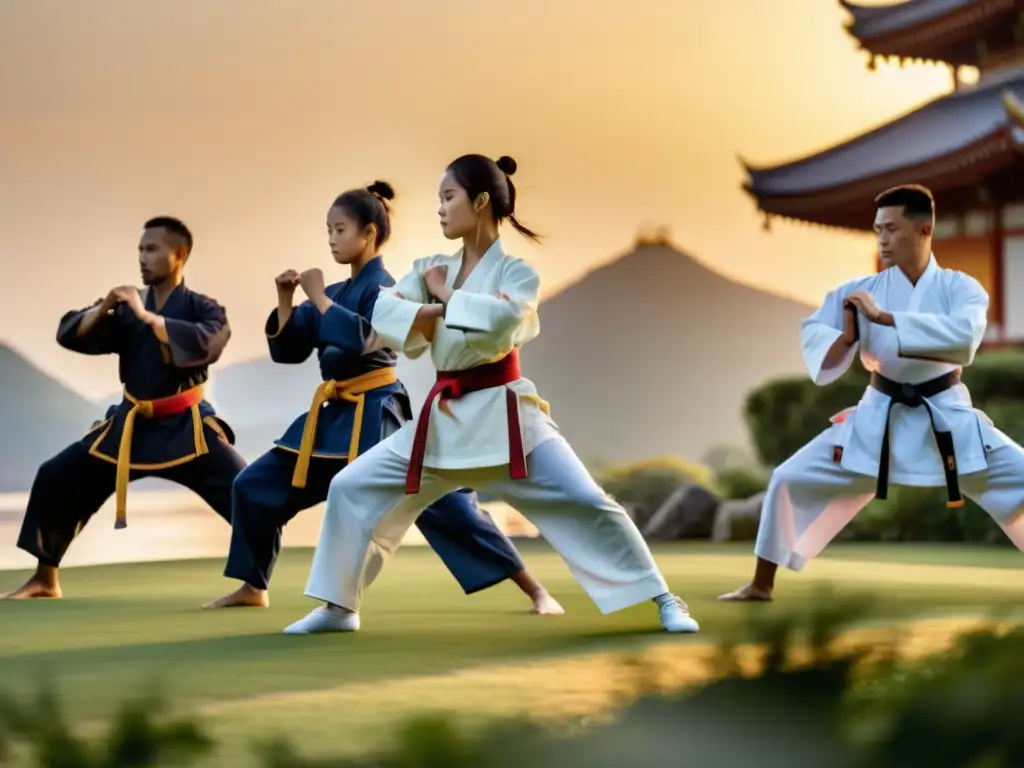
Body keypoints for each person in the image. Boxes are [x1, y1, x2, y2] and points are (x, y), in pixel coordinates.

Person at [282, 154, 698, 634]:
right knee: (351, 487)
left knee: (586, 499)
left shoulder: (518, 274)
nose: (439, 208)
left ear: (480, 202)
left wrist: (443, 298)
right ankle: (339, 608)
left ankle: (665, 600)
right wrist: (442, 305)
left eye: (448, 197)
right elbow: (384, 313)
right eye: (439, 198)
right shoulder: (428, 267)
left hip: (507, 417)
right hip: (441, 425)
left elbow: (502, 324)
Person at [203, 181, 562, 613]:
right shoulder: (335, 293)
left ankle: (535, 589)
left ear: (369, 233)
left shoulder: (392, 289)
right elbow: (289, 350)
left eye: (340, 230)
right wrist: (285, 300)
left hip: (377, 413)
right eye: (328, 231)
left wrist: (315, 297)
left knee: (443, 504)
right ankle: (253, 585)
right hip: (331, 417)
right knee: (254, 485)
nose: (332, 239)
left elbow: (361, 339)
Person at [719, 184, 1024, 602]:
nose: (882, 239)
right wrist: (846, 339)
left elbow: (964, 339)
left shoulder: (961, 288)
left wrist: (885, 318)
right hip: (876, 419)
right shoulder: (859, 289)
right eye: (877, 230)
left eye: (892, 229)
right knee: (788, 477)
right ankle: (760, 584)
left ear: (924, 229)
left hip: (948, 420)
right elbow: (815, 332)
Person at [2, 217, 247, 600]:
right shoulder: (126, 308)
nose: (142, 258)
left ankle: (254, 585)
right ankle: (45, 579)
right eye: (139, 249)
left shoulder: (204, 309)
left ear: (179, 254)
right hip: (130, 427)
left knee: (249, 490)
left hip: (188, 428)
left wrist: (149, 317)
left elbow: (208, 345)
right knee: (57, 476)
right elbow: (70, 333)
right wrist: (103, 308)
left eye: (151, 249)